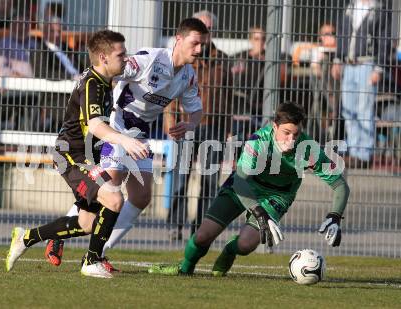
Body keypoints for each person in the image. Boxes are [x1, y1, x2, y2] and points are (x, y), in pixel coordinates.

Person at [44, 18, 208, 266]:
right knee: (110, 185)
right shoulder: (149, 60)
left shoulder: (188, 76)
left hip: (140, 134)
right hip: (117, 126)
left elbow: (196, 109)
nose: (199, 50)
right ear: (179, 38)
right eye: (195, 43)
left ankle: (99, 250)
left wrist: (191, 124)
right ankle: (61, 239)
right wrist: (98, 99)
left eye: (202, 45)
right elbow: (111, 71)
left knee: (141, 197)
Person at [5, 29, 150, 279]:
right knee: (114, 201)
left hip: (85, 157)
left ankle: (26, 238)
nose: (126, 58)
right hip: (71, 156)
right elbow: (95, 125)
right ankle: (91, 262)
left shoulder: (105, 81)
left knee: (86, 223)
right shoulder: (93, 84)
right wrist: (125, 141)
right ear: (103, 57)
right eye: (121, 54)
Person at [148, 102, 350, 276]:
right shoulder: (258, 141)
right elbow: (240, 181)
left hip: (276, 196)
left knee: (246, 245)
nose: (291, 140)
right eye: (286, 133)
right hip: (242, 187)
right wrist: (258, 211)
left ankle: (229, 251)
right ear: (274, 127)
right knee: (202, 236)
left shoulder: (308, 148)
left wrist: (335, 216)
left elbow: (340, 185)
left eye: (296, 134)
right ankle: (185, 269)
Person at [164, 11, 232, 240]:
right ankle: (176, 224)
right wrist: (170, 120)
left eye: (207, 28)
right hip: (185, 124)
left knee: (209, 179)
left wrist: (228, 130)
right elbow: (170, 93)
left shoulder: (222, 59)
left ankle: (201, 226)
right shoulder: (182, 60)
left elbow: (229, 97)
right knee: (181, 175)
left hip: (214, 126)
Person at [331, 0, 391, 168]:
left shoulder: (378, 10)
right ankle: (353, 150)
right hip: (349, 64)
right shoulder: (350, 7)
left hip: (367, 64)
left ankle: (363, 155)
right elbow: (342, 35)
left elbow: (384, 41)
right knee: (348, 111)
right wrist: (337, 60)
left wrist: (378, 69)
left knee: (364, 110)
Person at [231, 27, 266, 140]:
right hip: (241, 107)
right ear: (251, 40)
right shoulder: (242, 57)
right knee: (238, 140)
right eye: (256, 39)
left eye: (263, 39)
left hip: (260, 108)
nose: (260, 42)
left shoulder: (270, 60)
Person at [307, 23, 340, 144]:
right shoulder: (317, 50)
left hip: (339, 91)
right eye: (326, 34)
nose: (330, 37)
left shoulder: (341, 52)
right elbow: (316, 71)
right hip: (323, 93)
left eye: (333, 34)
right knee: (322, 65)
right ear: (320, 36)